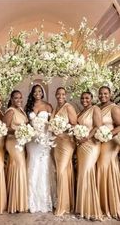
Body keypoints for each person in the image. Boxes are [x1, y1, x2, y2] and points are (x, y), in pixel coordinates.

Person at [25, 84, 56, 213]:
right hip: (32, 141)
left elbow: (52, 123)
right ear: (32, 93)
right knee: (32, 164)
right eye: (35, 91)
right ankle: (30, 200)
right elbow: (25, 122)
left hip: (44, 140)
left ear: (42, 93)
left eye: (39, 91)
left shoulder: (48, 106)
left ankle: (45, 199)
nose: (37, 93)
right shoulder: (28, 107)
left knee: (44, 165)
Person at [75, 92, 103, 220]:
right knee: (82, 174)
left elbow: (98, 126)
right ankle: (82, 208)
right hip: (80, 146)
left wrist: (87, 138)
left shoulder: (95, 109)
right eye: (82, 97)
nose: (84, 99)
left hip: (91, 145)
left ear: (92, 99)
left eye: (87, 98)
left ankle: (92, 210)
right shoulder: (80, 112)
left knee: (87, 172)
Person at [51, 87, 77, 216]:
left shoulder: (68, 107)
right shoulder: (55, 108)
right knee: (61, 171)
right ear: (55, 95)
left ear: (65, 96)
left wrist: (63, 128)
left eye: (63, 94)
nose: (60, 96)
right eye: (58, 93)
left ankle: (62, 206)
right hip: (57, 144)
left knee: (61, 171)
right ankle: (66, 203)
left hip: (67, 143)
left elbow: (74, 125)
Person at [96, 86, 120, 219]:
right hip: (99, 143)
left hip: (110, 143)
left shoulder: (114, 108)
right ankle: (101, 204)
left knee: (106, 168)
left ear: (110, 94)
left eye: (105, 93)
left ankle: (112, 205)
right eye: (100, 93)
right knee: (100, 169)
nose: (102, 96)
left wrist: (108, 134)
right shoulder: (98, 107)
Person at [3, 90, 28, 213]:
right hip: (13, 142)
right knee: (19, 166)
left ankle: (19, 201)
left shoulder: (20, 110)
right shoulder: (10, 111)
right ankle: (15, 203)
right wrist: (17, 131)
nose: (19, 100)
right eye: (16, 98)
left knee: (18, 167)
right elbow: (5, 128)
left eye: (20, 97)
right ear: (11, 99)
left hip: (21, 143)